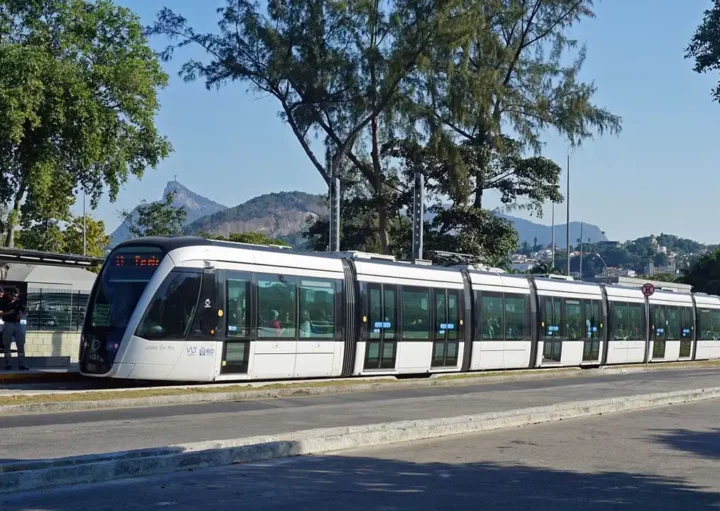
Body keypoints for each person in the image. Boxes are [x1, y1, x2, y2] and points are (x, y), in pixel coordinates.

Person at [2, 287, 28, 371]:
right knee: (7, 344)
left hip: (17, 324)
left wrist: (21, 314)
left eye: (16, 296)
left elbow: (25, 311)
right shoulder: (3, 301)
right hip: (8, 323)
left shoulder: (18, 301)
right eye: (13, 296)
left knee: (20, 344)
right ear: (9, 294)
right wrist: (9, 313)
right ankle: (8, 363)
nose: (14, 298)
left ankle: (22, 364)